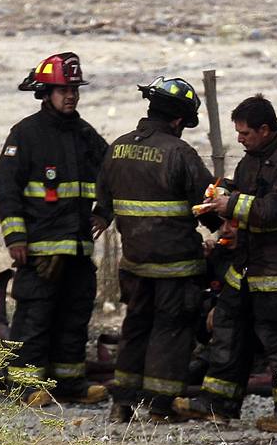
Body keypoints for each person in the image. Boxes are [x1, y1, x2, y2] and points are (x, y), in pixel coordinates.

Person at [174, 95, 277, 432]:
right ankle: (217, 403)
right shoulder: (253, 158)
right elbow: (247, 193)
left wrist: (232, 204)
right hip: (247, 269)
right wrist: (223, 193)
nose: (239, 139)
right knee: (228, 331)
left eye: (245, 134)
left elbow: (276, 210)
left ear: (265, 130)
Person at [92, 76, 219, 423]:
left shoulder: (117, 147)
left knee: (135, 327)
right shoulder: (180, 153)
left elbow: (102, 204)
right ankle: (160, 406)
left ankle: (122, 403)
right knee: (171, 330)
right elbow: (208, 205)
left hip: (134, 263)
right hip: (176, 266)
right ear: (179, 119)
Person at [0, 53, 108, 406]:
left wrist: (105, 212)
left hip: (77, 247)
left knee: (74, 316)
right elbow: (6, 189)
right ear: (46, 92)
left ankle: (70, 385)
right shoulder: (25, 134)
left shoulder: (85, 134)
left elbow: (112, 175)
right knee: (34, 319)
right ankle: (25, 387)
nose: (70, 95)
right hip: (40, 248)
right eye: (63, 90)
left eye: (74, 89)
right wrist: (15, 237)